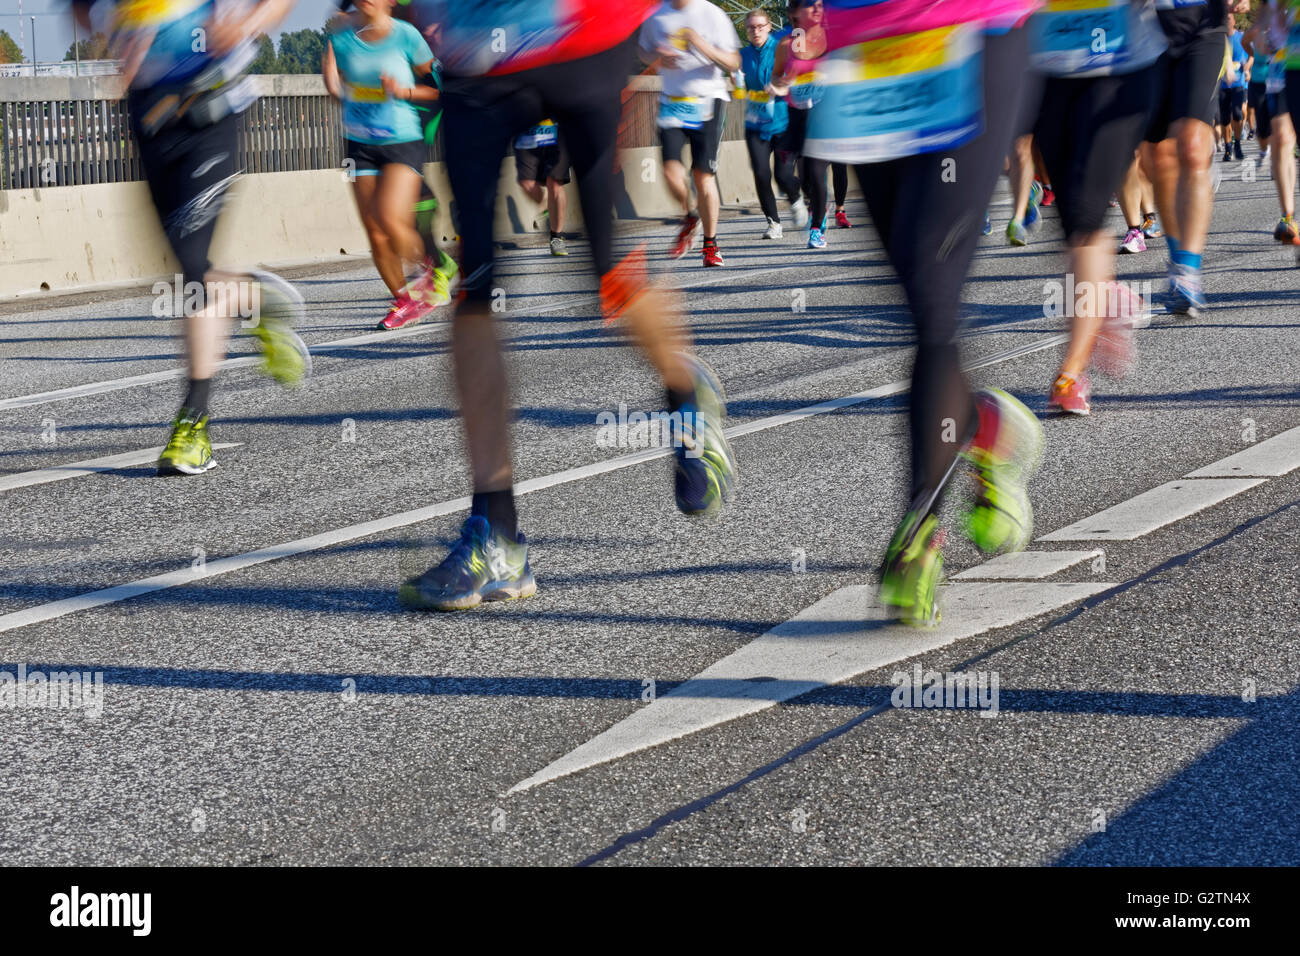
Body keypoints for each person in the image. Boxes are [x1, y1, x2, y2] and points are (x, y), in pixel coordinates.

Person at [398, 0, 737, 611]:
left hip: (586, 37)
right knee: (476, 284)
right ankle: (496, 530)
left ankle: (687, 391)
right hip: (478, 59)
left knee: (604, 270)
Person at [804, 0, 1046, 624]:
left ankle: (918, 537)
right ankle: (984, 425)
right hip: (866, 52)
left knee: (935, 296)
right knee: (919, 299)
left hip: (974, 31)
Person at [74, 0, 310, 475]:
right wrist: (112, 34)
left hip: (211, 106)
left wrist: (245, 24)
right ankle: (250, 294)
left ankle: (193, 422)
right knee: (186, 271)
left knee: (191, 269)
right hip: (149, 116)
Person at [1031, 0, 1169, 415]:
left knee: (1086, 219)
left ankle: (1071, 372)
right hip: (1047, 65)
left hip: (1121, 67)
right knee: (1072, 220)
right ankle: (1106, 296)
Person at [324, 0, 448, 331]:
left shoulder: (406, 36)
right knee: (375, 234)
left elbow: (437, 90)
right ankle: (405, 300)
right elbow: (333, 84)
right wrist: (343, 88)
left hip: (401, 140)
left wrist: (402, 90)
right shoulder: (341, 33)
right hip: (357, 145)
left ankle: (431, 269)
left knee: (391, 219)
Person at [1140, 0, 1249, 318]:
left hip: (1204, 25)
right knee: (1156, 159)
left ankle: (1188, 271)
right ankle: (1177, 260)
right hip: (1145, 30)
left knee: (1191, 146)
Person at [639, 0, 741, 266]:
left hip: (708, 100)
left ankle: (710, 244)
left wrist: (701, 44)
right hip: (672, 102)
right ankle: (690, 214)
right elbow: (643, 51)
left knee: (702, 175)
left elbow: (733, 61)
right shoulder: (655, 15)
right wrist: (658, 58)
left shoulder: (712, 14)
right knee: (670, 171)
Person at [769, 0, 834, 250]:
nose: (817, 9)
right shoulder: (788, 44)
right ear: (795, 12)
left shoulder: (833, 39)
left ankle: (816, 228)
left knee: (815, 173)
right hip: (794, 116)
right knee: (784, 174)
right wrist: (780, 83)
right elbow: (776, 75)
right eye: (809, 4)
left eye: (820, 4)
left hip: (822, 116)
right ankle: (803, 202)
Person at [740, 6, 805, 239]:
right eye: (750, 28)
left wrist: (781, 87)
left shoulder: (780, 46)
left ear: (769, 27)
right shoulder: (743, 55)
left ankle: (796, 198)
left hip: (782, 124)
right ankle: (773, 223)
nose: (755, 31)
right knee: (760, 173)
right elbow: (738, 84)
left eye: (760, 27)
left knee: (783, 175)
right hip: (755, 125)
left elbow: (797, 69)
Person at [514, 118, 572, 256]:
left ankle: (556, 238)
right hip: (525, 132)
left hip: (556, 131)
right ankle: (547, 206)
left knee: (555, 183)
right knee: (527, 183)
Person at [1217, 13, 1251, 160]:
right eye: (1224, 19)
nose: (1226, 21)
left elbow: (1252, 55)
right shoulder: (1219, 39)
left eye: (1228, 18)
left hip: (1239, 83)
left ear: (1234, 21)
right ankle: (1228, 148)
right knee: (1224, 118)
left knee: (1237, 114)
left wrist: (1247, 68)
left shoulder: (1242, 38)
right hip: (1223, 84)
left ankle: (1237, 143)